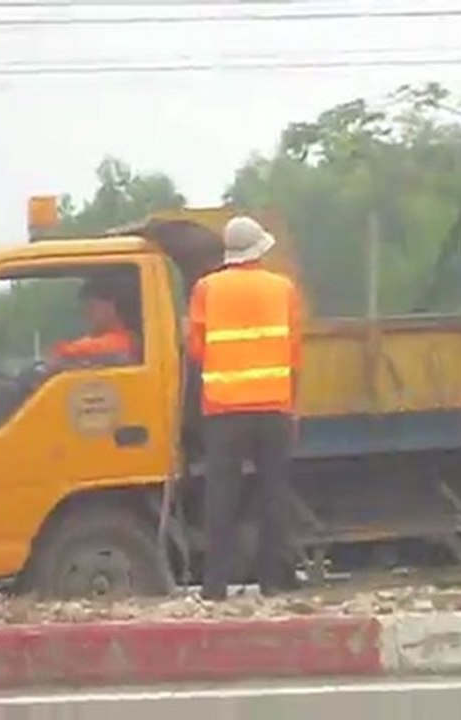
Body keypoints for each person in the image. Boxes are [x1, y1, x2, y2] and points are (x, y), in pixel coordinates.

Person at [187, 215, 302, 600]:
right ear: (260, 249)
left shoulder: (206, 289)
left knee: (221, 498)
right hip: (273, 406)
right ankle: (272, 581)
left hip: (223, 410)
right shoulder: (283, 289)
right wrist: (293, 406)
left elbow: (196, 350)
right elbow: (295, 354)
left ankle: (215, 585)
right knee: (274, 495)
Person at [49, 278, 138, 368]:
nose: (87, 313)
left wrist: (63, 353)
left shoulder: (121, 343)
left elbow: (67, 353)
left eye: (91, 306)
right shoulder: (99, 338)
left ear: (112, 307)